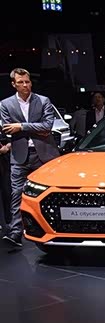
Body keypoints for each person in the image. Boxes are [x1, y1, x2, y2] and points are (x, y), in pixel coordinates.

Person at [0, 68, 60, 247]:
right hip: (19, 155)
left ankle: (55, 229)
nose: (25, 85)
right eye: (21, 82)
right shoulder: (5, 104)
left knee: (50, 193)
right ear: (14, 84)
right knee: (16, 194)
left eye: (27, 81)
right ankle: (15, 233)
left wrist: (21, 127)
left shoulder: (43, 101)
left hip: (45, 154)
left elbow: (47, 127)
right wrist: (33, 127)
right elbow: (7, 128)